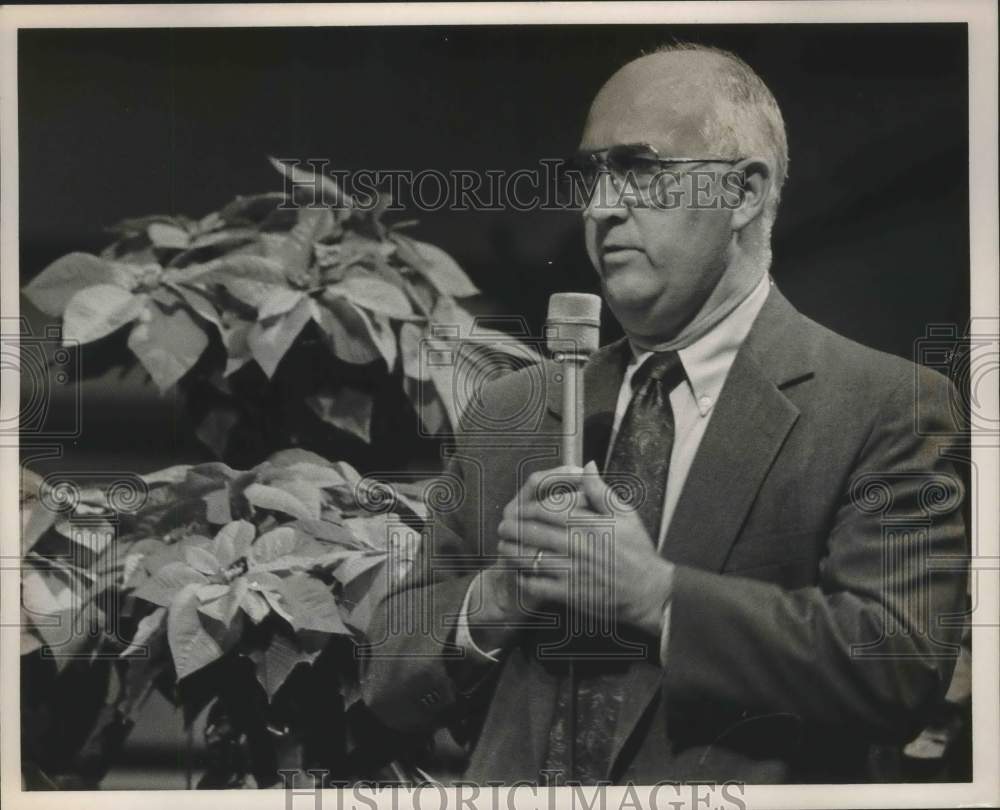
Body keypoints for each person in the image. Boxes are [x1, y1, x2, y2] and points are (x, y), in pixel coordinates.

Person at [360, 43, 968, 785]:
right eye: (590, 175)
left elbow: (898, 669)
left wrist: (657, 595)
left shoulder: (886, 406)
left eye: (640, 170)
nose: (600, 206)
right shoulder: (513, 409)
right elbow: (389, 683)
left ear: (743, 193)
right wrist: (495, 597)